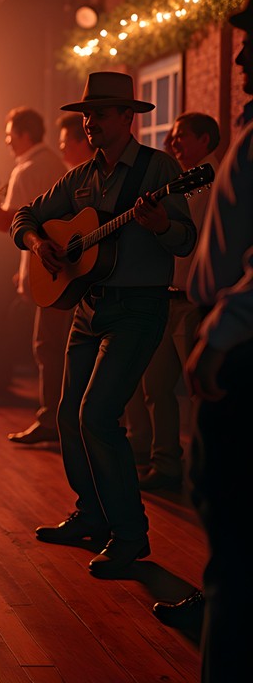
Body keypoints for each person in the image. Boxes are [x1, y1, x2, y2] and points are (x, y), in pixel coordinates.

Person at [12, 71, 195, 578]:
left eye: (99, 113)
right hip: (88, 307)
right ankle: (90, 515)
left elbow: (185, 240)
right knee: (69, 416)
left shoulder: (160, 169)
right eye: (86, 115)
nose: (89, 122)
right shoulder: (82, 176)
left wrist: (161, 225)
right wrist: (38, 244)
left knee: (97, 415)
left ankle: (130, 535)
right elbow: (25, 216)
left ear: (127, 117)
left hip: (138, 308)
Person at [184, 0, 253, 681]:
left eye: (251, 38)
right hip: (234, 337)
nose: (239, 52)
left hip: (242, 350)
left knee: (232, 516)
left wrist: (224, 329)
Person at [125, 112, 219, 490]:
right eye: (172, 136)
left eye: (181, 136)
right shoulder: (178, 181)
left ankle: (207, 469)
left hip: (197, 299)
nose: (172, 142)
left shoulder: (210, 180)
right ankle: (165, 463)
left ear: (205, 140)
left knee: (202, 392)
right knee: (155, 386)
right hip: (165, 296)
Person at [0, 107, 72, 445]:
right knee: (62, 346)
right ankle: (62, 418)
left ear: (24, 135)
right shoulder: (55, 166)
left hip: (44, 268)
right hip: (65, 268)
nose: (7, 142)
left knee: (46, 347)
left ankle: (52, 420)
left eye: (10, 135)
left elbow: (13, 223)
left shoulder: (27, 169)